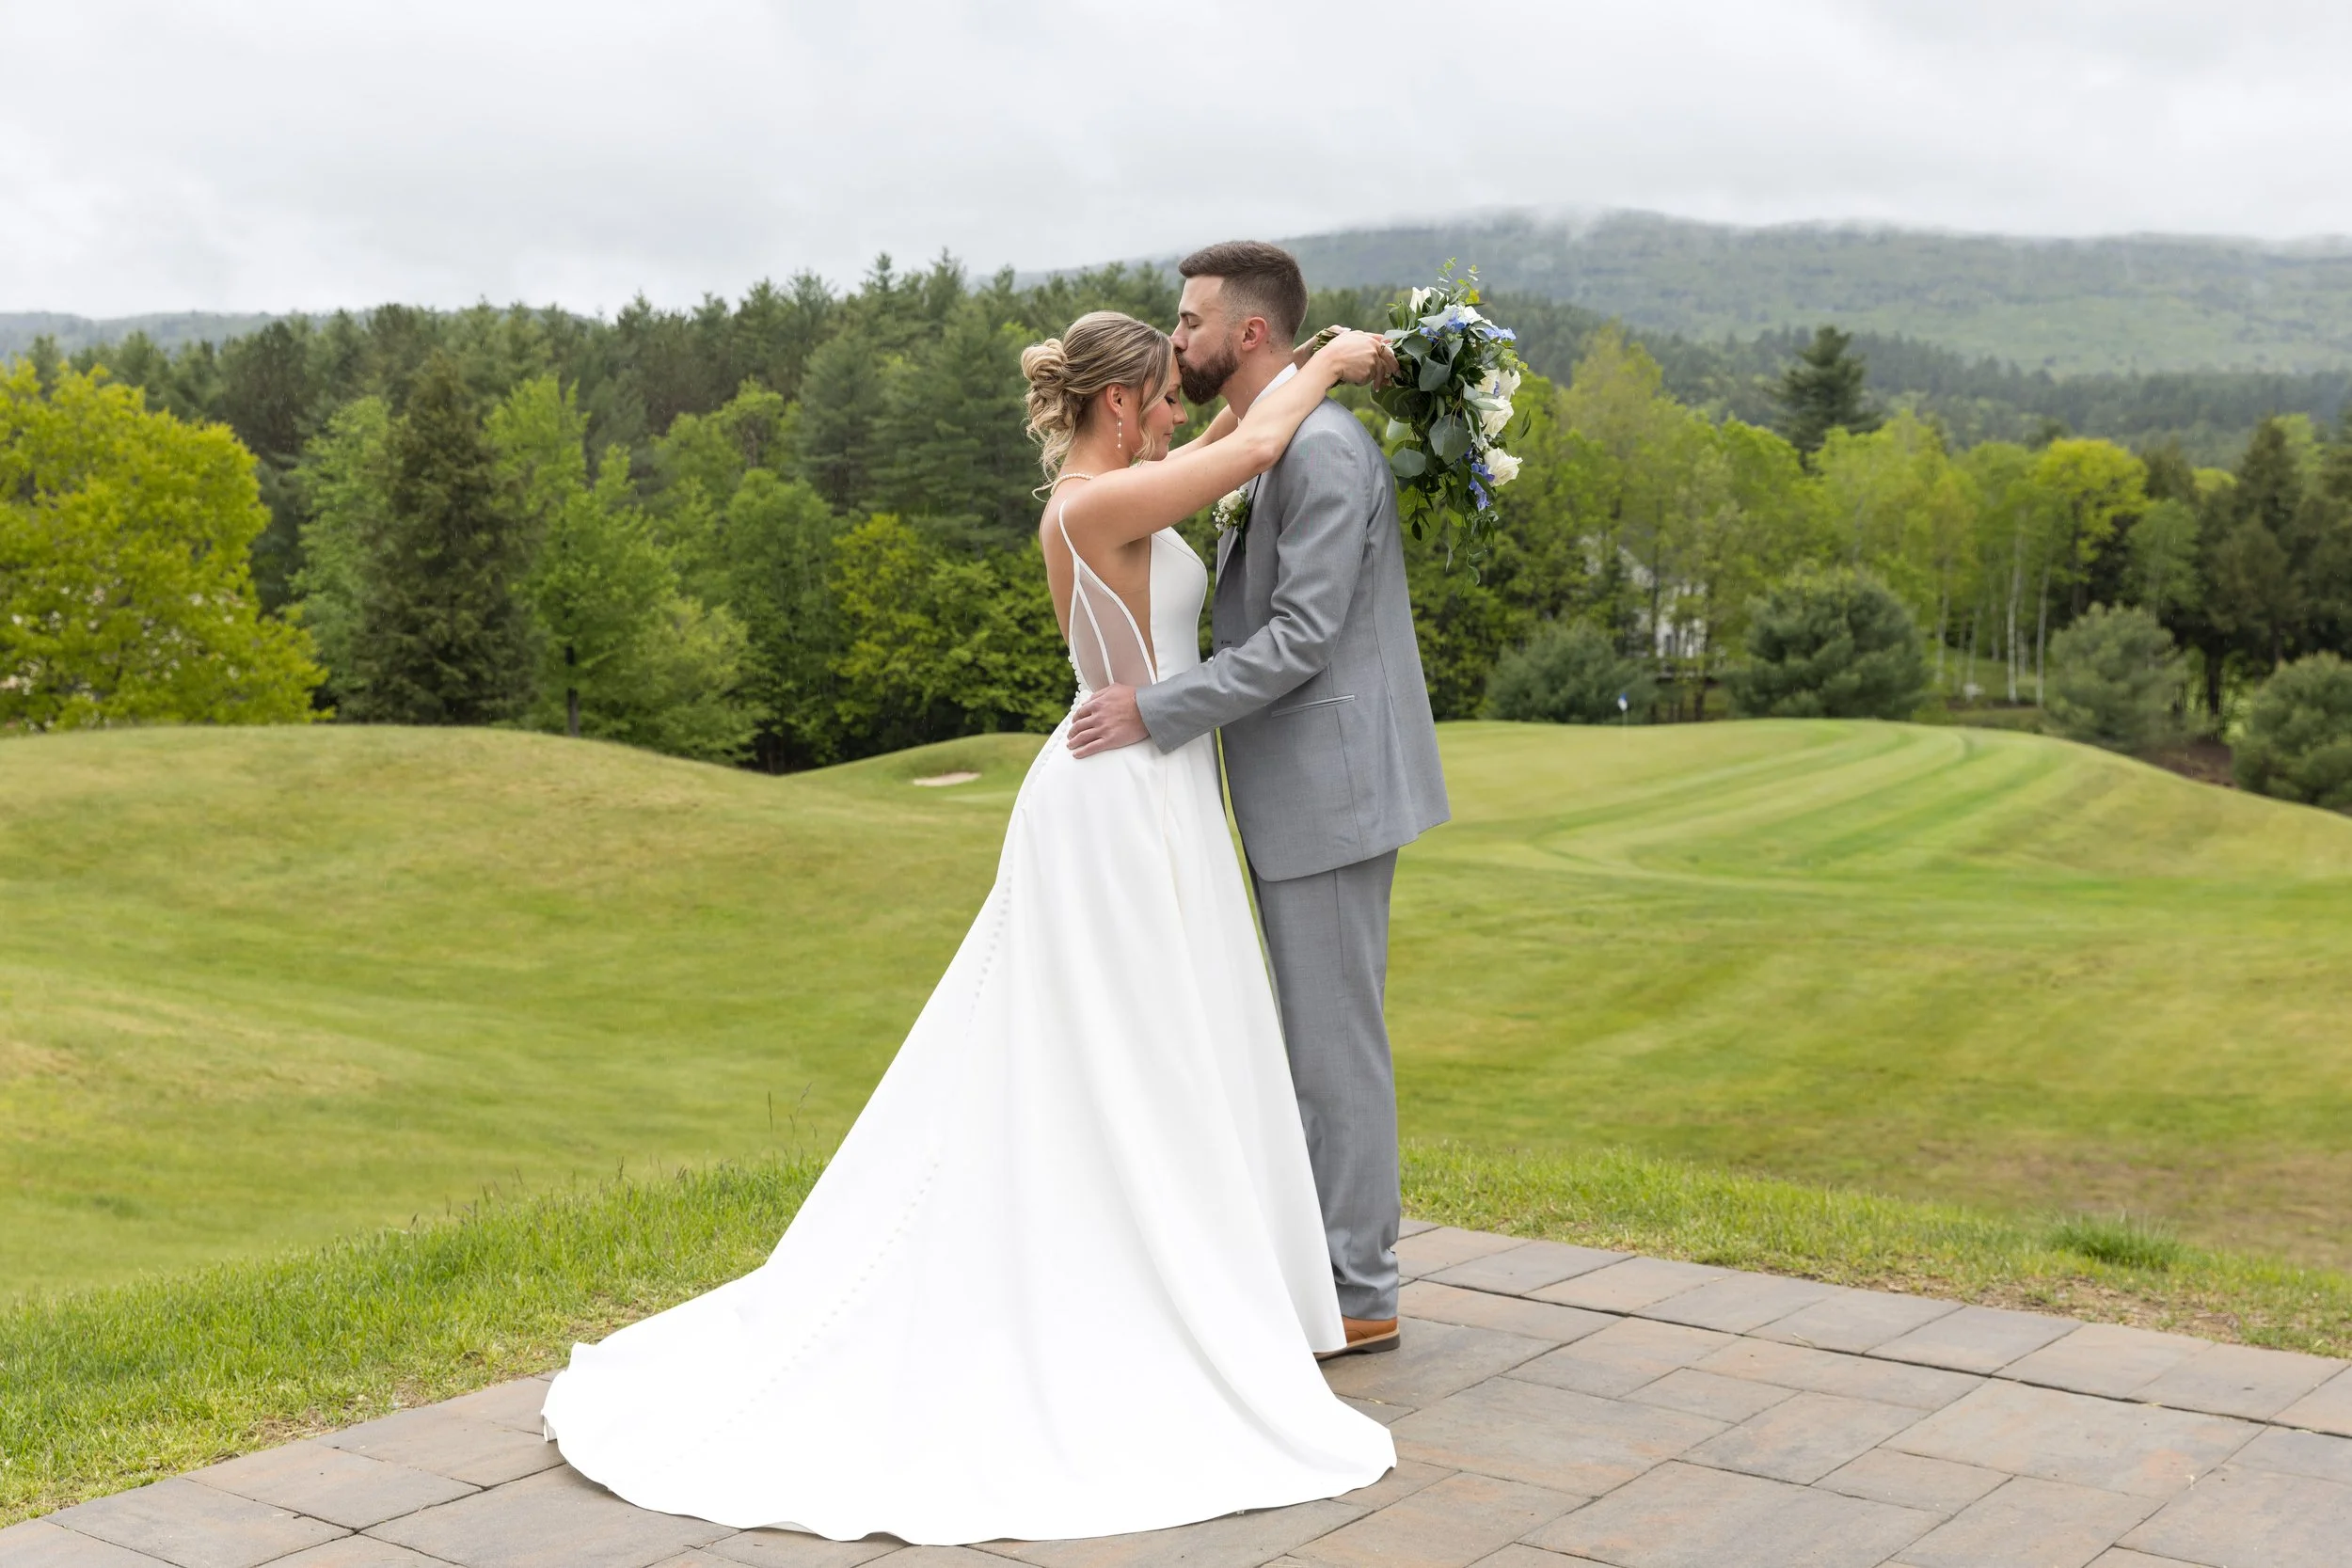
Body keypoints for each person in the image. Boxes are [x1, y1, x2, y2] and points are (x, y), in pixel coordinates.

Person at [540, 310, 1399, 1545]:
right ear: (1118, 409)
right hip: (1114, 805)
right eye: (1160, 399)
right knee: (1124, 1048)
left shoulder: (1114, 481)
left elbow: (1222, 432)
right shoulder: (1091, 508)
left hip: (1151, 784)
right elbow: (1252, 450)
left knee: (1173, 1040)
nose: (1174, 413)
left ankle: (1204, 1269)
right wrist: (1324, 364)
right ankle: (1126, 1278)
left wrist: (1270, 378)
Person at [1069, 242, 1450, 1356]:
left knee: (1334, 1044)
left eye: (1187, 322)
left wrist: (1158, 709)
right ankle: (1317, 1261)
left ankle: (1360, 1286)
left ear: (1248, 335)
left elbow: (1297, 639)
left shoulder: (1322, 453)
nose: (1170, 338)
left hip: (1331, 788)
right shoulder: (1259, 446)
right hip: (1291, 784)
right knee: (1304, 1037)